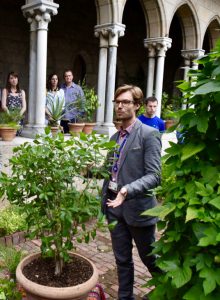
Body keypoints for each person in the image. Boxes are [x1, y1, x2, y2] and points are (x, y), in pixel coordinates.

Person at [101, 85, 162, 300]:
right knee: (122, 260)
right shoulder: (114, 138)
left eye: (125, 102)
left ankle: (165, 291)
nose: (119, 106)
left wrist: (127, 190)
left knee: (151, 259)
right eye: (117, 102)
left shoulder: (149, 134)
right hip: (114, 208)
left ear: (137, 105)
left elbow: (155, 175)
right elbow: (110, 171)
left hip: (138, 209)